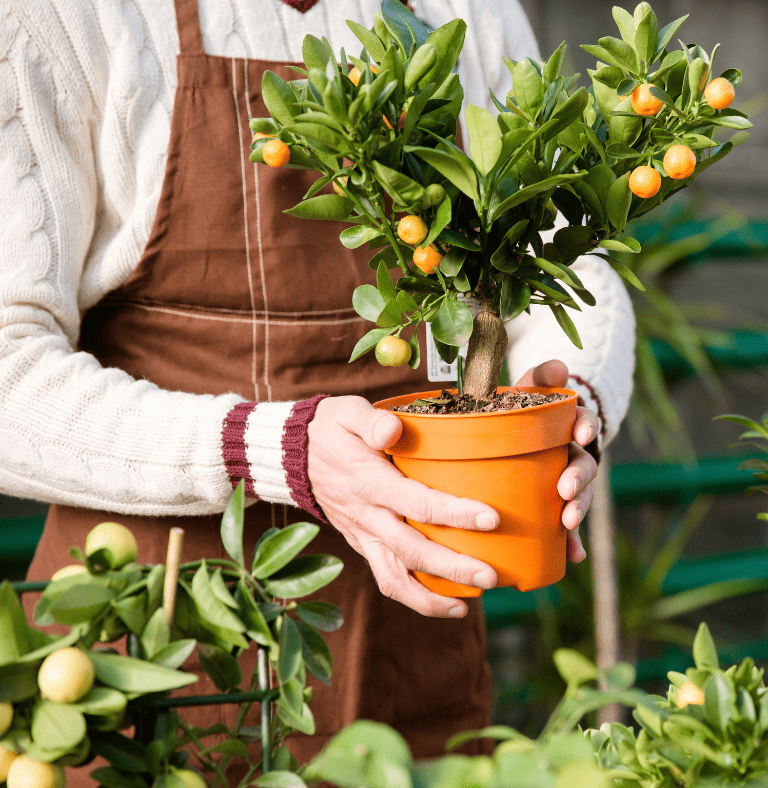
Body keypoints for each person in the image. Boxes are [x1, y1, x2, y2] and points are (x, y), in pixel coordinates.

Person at [0, 0, 636, 776]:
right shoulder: (67, 17)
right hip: (151, 651)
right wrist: (274, 449)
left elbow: (559, 256)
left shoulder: (468, 11)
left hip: (412, 663)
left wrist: (578, 411)